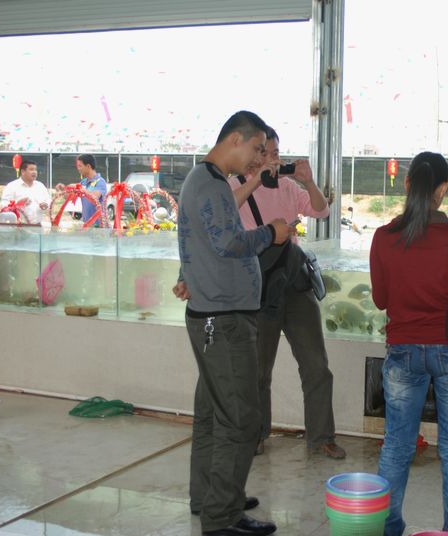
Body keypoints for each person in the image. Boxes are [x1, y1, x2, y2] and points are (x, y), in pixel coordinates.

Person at [369, 151, 448, 536]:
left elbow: (380, 300)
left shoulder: (383, 237)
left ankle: (389, 528)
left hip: (403, 353)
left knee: (396, 447)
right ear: (443, 189)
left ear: (407, 184)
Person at [173, 110, 291, 536]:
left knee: (213, 413)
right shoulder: (208, 183)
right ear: (236, 139)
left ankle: (210, 497)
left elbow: (197, 236)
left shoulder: (207, 181)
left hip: (214, 316)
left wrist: (188, 274)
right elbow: (227, 241)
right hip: (223, 323)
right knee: (240, 418)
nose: (258, 156)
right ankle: (221, 516)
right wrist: (272, 233)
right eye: (257, 148)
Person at [226, 126, 346, 460]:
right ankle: (255, 435)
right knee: (258, 370)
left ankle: (322, 437)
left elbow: (321, 210)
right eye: (265, 152)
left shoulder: (288, 186)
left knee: (316, 365)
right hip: (258, 288)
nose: (272, 159)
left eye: (276, 153)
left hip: (294, 284)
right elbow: (225, 218)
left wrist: (309, 181)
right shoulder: (234, 187)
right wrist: (257, 183)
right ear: (254, 153)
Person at [0, 159, 51, 224]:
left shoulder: (40, 186)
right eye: (31, 169)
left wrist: (45, 205)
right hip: (18, 226)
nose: (34, 172)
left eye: (35, 170)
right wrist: (18, 204)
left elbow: (48, 201)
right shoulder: (12, 186)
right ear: (23, 171)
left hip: (37, 225)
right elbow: (3, 205)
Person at [75, 154, 107, 226]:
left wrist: (82, 189)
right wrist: (64, 188)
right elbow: (72, 195)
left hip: (98, 226)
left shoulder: (100, 182)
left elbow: (94, 197)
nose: (78, 169)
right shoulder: (83, 182)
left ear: (88, 166)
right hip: (86, 224)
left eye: (80, 166)